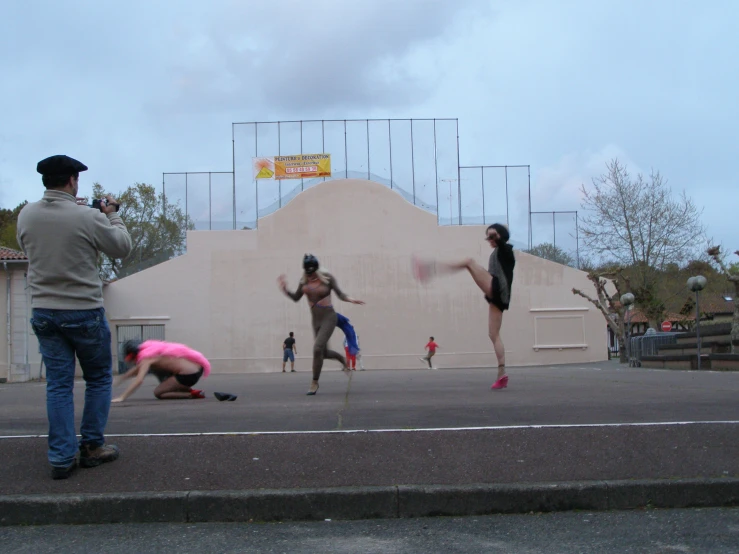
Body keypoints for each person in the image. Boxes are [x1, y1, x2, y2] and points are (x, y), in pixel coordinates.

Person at [16, 155, 132, 480]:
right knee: (97, 378)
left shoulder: (26, 215)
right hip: (83, 312)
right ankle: (92, 447)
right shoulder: (87, 216)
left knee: (58, 385)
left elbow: (26, 244)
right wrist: (111, 216)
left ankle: (61, 457)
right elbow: (121, 247)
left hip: (44, 312)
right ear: (71, 181)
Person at [412, 223, 515, 389]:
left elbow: (503, 245)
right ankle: (502, 374)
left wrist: (497, 235)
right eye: (488, 237)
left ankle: (429, 268)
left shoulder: (506, 250)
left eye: (491, 237)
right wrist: (495, 235)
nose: (489, 240)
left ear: (499, 236)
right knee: (493, 334)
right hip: (499, 297)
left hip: (497, 288)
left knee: (468, 262)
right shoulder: (498, 252)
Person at [277, 254, 365, 395]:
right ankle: (341, 359)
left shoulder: (327, 279)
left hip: (329, 317)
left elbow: (340, 294)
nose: (311, 276)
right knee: (323, 353)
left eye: (313, 273)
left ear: (317, 269)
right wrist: (285, 290)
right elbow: (296, 298)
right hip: (316, 321)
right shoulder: (303, 283)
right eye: (308, 273)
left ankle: (314, 382)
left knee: (317, 348)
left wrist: (351, 299)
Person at [112, 339, 211, 402]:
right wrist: (120, 379)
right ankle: (193, 391)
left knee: (159, 392)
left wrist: (122, 397)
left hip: (188, 375)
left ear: (132, 355)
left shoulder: (146, 358)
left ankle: (191, 395)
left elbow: (139, 380)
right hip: (197, 369)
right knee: (163, 377)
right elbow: (136, 370)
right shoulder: (151, 350)